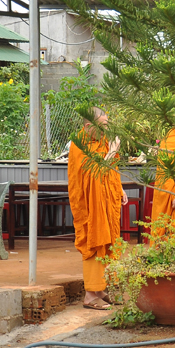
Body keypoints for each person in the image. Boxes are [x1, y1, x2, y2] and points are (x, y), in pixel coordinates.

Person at [68, 107, 127, 310]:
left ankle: (100, 290)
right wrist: (112, 151)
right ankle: (89, 295)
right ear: (88, 126)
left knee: (109, 242)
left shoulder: (102, 141)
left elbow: (111, 169)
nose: (106, 131)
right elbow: (93, 172)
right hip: (90, 206)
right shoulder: (79, 145)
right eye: (103, 127)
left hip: (107, 200)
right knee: (94, 242)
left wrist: (119, 188)